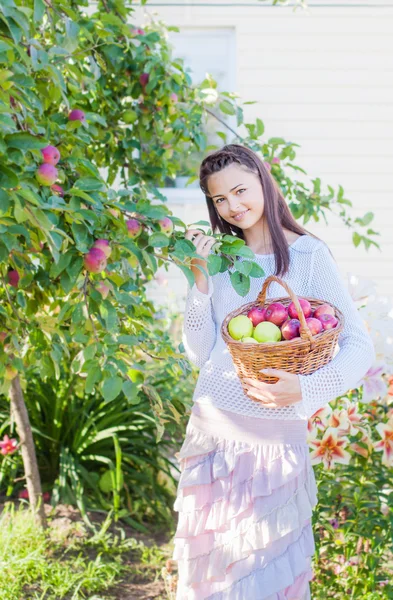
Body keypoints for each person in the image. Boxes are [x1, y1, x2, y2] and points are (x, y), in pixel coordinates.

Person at [171, 144, 376, 599]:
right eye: (219, 200)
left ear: (263, 181)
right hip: (212, 432)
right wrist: (200, 280)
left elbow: (358, 345)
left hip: (273, 437)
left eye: (240, 191)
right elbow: (200, 351)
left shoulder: (307, 256)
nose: (232, 206)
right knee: (211, 573)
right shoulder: (221, 257)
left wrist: (306, 388)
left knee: (266, 571)